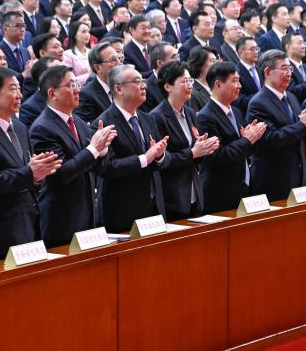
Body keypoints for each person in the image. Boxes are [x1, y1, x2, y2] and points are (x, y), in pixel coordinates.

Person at [0, 66, 60, 261]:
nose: (20, 95)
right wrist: (31, 173)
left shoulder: (20, 126)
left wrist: (39, 175)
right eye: (12, 89)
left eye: (19, 88)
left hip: (29, 223)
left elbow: (27, 173)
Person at [29, 65, 116, 246]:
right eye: (71, 85)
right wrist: (93, 149)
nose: (78, 90)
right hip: (61, 217)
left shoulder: (78, 122)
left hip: (87, 213)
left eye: (78, 84)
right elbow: (60, 174)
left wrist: (102, 152)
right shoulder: (42, 128)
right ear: (53, 93)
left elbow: (96, 168)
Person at [96, 64, 169, 232]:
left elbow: (159, 159)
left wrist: (159, 156)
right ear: (119, 89)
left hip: (153, 206)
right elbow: (107, 167)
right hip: (122, 211)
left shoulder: (148, 118)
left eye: (143, 80)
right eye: (137, 81)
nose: (144, 85)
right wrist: (145, 158)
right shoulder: (104, 124)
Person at [149, 61, 219, 220]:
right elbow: (162, 160)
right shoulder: (157, 117)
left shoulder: (190, 113)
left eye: (190, 81)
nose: (189, 85)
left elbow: (195, 153)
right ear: (168, 86)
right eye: (184, 81)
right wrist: (193, 153)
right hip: (172, 195)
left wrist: (205, 147)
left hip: (194, 190)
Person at [247, 49, 306, 201]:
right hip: (273, 180)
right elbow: (271, 139)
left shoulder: (291, 97)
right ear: (267, 72)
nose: (289, 73)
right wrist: (303, 124)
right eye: (284, 69)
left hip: (297, 175)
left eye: (290, 69)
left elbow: (303, 132)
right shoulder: (258, 103)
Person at [196, 61, 266, 213]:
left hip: (243, 187)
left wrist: (253, 138)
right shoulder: (205, 117)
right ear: (218, 84)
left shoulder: (236, 111)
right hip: (220, 193)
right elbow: (217, 156)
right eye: (234, 80)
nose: (239, 85)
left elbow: (245, 149)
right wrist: (247, 140)